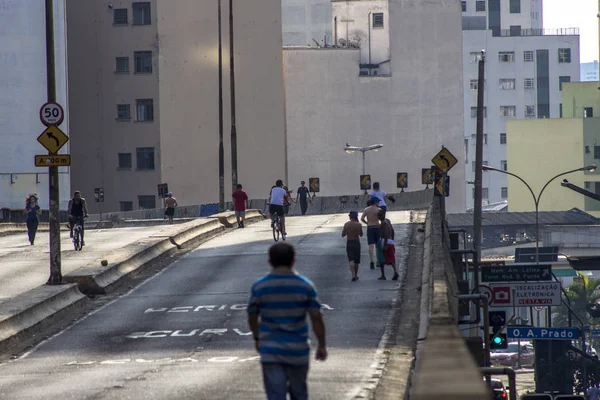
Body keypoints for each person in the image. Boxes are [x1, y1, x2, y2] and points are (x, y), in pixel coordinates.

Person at [247, 242, 327, 400]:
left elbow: (252, 314)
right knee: (299, 393)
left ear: (270, 262)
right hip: (298, 350)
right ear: (293, 261)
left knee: (275, 395)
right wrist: (322, 345)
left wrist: (257, 337)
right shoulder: (306, 286)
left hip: (270, 350)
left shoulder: (259, 286)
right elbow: (316, 317)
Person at [376, 210, 399, 280]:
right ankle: (395, 271)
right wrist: (391, 240)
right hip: (390, 241)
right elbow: (392, 231)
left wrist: (385, 244)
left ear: (382, 215)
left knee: (381, 259)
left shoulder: (383, 223)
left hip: (384, 241)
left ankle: (383, 275)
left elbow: (385, 233)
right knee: (391, 258)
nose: (378, 217)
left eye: (379, 215)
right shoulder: (388, 221)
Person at [361, 198, 382, 270]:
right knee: (378, 245)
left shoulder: (366, 209)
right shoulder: (379, 210)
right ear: (375, 202)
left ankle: (371, 261)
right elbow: (382, 219)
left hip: (370, 227)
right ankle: (378, 261)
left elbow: (362, 218)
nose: (379, 203)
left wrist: (367, 223)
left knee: (371, 245)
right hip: (377, 227)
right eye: (378, 202)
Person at [342, 211, 363, 281]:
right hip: (356, 243)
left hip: (349, 243)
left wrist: (348, 232)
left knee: (351, 260)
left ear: (350, 217)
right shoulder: (359, 224)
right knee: (356, 261)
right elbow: (361, 234)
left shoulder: (346, 224)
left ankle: (353, 275)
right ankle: (356, 275)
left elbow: (343, 234)